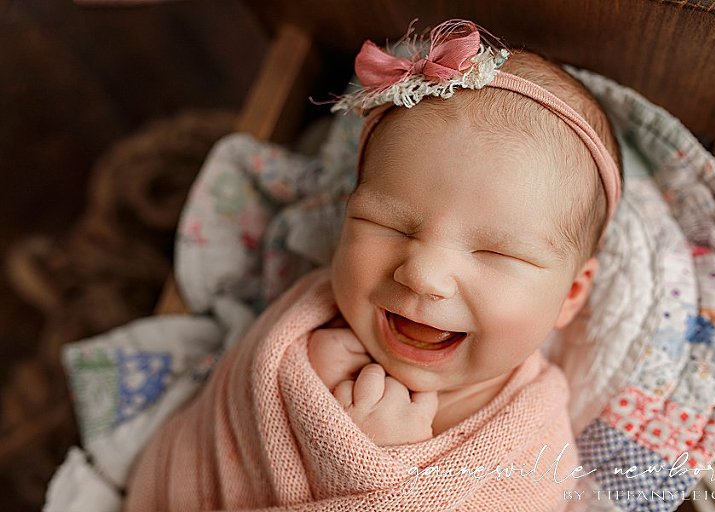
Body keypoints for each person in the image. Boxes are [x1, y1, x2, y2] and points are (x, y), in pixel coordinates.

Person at [124, 19, 621, 511]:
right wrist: (311, 393)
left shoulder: (532, 446)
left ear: (572, 294)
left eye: (494, 253)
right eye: (392, 227)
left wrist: (371, 462)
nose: (423, 274)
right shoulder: (305, 323)